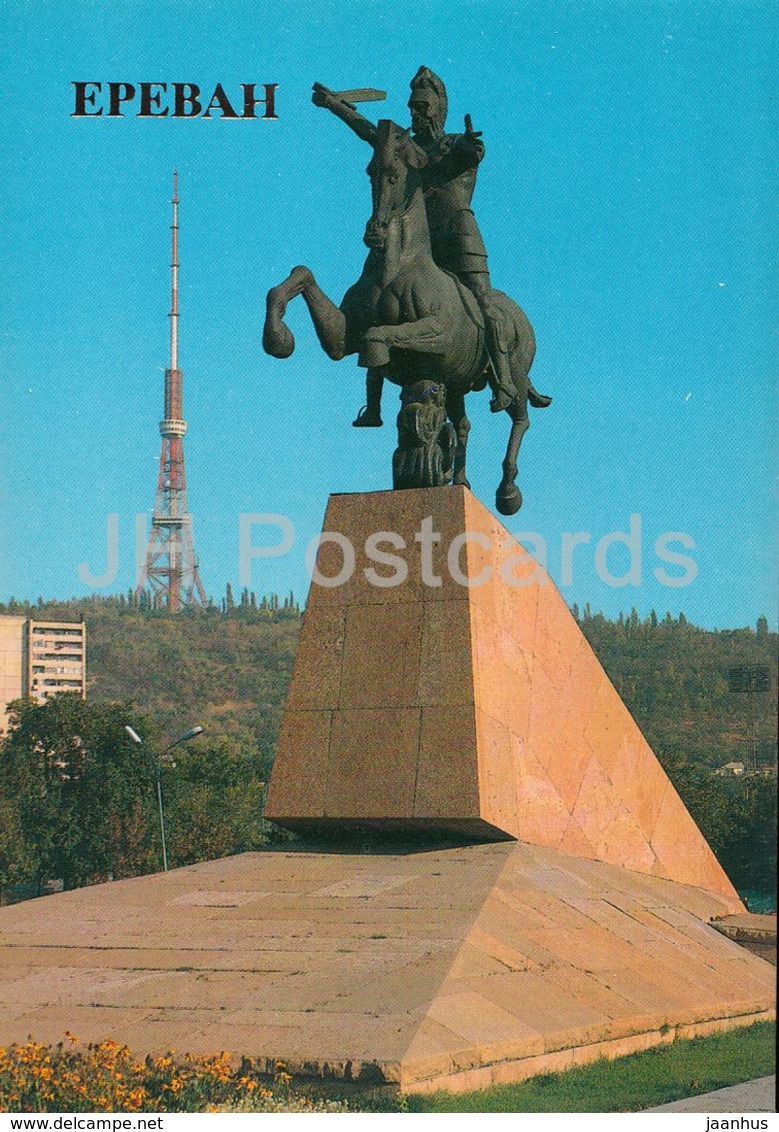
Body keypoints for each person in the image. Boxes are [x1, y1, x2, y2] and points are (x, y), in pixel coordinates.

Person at [312, 66, 517, 425]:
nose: (415, 114)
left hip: (458, 239)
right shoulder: (406, 148)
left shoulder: (453, 144)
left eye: (422, 107)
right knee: (382, 300)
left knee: (485, 303)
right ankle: (372, 405)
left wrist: (473, 147)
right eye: (412, 108)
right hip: (414, 242)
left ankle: (504, 382)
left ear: (438, 109)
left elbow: (472, 153)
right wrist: (335, 106)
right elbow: (371, 133)